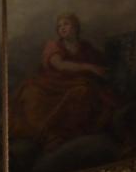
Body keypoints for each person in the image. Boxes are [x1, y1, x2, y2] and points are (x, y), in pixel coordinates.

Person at [11, 14, 121, 152]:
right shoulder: (53, 45)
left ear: (76, 27)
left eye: (66, 24)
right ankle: (46, 135)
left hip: (76, 82)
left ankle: (65, 133)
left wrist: (107, 64)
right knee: (32, 92)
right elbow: (60, 65)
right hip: (53, 82)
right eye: (59, 26)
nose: (62, 28)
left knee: (83, 91)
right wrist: (88, 67)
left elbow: (102, 64)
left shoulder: (86, 47)